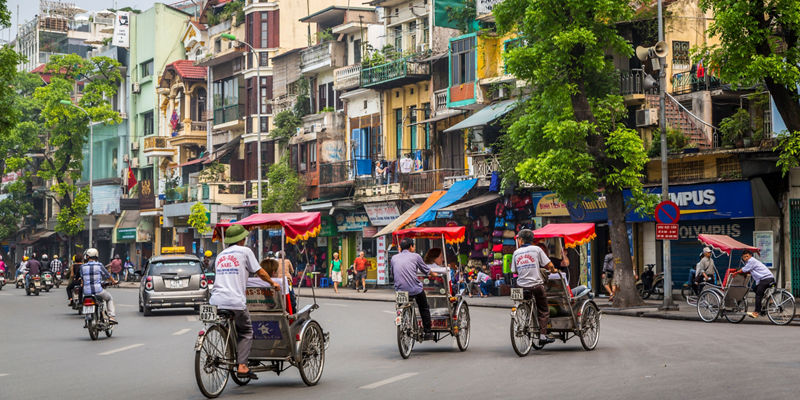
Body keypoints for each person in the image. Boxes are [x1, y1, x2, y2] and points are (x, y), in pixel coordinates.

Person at [210, 224, 278, 380]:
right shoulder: (246, 251)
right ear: (242, 239)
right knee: (246, 331)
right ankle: (242, 366)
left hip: (216, 300)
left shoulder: (220, 255)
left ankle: (231, 350)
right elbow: (260, 271)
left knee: (229, 324)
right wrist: (272, 283)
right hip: (235, 301)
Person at [511, 229, 556, 345]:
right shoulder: (537, 249)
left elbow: (514, 270)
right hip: (536, 285)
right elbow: (549, 265)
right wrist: (553, 270)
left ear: (520, 240)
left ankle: (525, 314)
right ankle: (542, 335)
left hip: (520, 286)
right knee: (544, 309)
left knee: (525, 300)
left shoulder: (516, 253)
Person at [392, 238, 438, 340]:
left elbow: (393, 273)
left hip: (400, 290)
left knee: (400, 306)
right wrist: (435, 274)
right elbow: (426, 270)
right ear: (411, 247)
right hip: (414, 289)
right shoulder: (416, 256)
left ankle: (401, 315)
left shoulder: (394, 258)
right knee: (424, 307)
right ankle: (427, 332)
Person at [81, 248, 118, 324]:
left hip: (86, 292)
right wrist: (114, 281)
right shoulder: (99, 265)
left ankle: (87, 316)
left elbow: (82, 280)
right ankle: (111, 316)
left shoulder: (82, 267)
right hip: (98, 291)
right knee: (109, 298)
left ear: (87, 257)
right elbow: (108, 275)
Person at [735, 250, 775, 319]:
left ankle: (756, 312)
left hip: (766, 279)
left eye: (747, 256)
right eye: (744, 257)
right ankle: (767, 303)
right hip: (768, 278)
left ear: (751, 256)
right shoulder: (752, 262)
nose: (746, 258)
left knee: (758, 295)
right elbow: (751, 271)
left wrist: (736, 272)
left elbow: (743, 270)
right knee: (755, 289)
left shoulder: (751, 261)